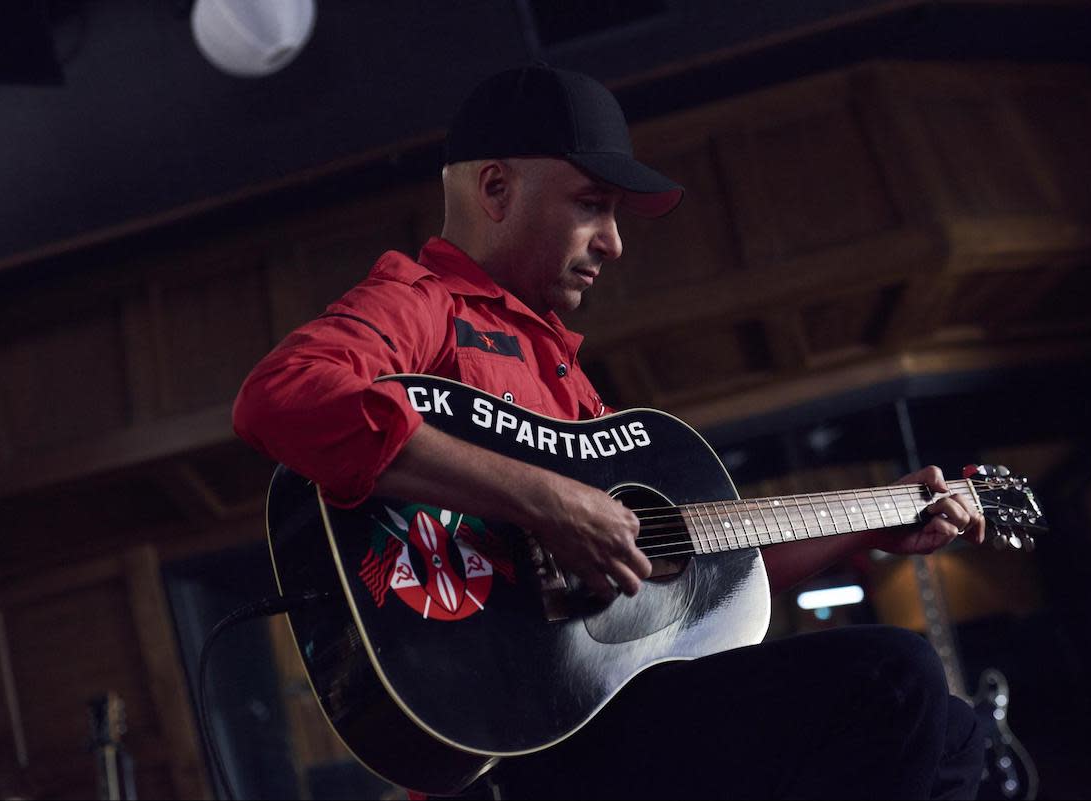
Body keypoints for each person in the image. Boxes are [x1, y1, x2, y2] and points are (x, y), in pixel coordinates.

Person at [233, 64, 987, 799]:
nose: (614, 242)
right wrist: (545, 501)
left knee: (954, 738)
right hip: (522, 736)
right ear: (496, 189)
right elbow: (284, 397)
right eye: (592, 204)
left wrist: (878, 523)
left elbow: (696, 579)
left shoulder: (567, 377)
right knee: (897, 676)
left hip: (613, 708)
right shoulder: (425, 303)